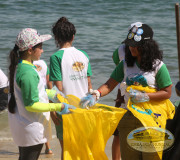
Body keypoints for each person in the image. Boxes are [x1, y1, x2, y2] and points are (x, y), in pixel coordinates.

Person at [80, 23, 172, 160]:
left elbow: (167, 92)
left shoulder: (158, 66)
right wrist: (96, 94)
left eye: (135, 45)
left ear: (146, 46)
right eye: (129, 44)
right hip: (128, 119)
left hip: (151, 121)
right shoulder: (124, 64)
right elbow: (109, 84)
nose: (131, 48)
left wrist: (146, 96)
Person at [8, 28, 75, 160]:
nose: (43, 51)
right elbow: (31, 104)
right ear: (30, 50)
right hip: (31, 129)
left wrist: (53, 94)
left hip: (25, 126)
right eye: (41, 47)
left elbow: (34, 91)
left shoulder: (23, 66)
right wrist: (58, 107)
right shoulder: (28, 72)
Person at [49, 17, 93, 160]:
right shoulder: (84, 55)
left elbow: (59, 88)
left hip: (66, 110)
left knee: (67, 150)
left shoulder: (56, 57)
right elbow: (89, 85)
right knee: (82, 148)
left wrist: (53, 108)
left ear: (56, 37)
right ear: (73, 36)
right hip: (84, 108)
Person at [111, 22, 142, 160]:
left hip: (123, 89)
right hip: (124, 91)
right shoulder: (126, 48)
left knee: (118, 133)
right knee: (119, 131)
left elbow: (115, 61)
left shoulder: (120, 48)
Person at [33, 59, 53, 154]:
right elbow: (49, 82)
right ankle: (48, 148)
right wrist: (52, 97)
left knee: (32, 121)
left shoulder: (25, 63)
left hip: (32, 93)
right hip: (44, 94)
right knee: (44, 120)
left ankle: (31, 145)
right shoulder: (43, 63)